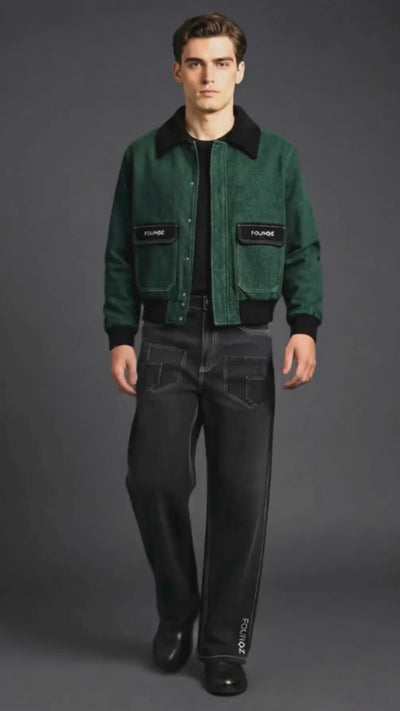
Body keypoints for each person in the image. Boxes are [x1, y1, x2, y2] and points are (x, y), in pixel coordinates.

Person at [102, 11, 323, 696]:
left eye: (221, 63)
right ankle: (178, 607)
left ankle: (224, 646)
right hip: (164, 341)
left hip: (243, 348)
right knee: (153, 479)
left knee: (241, 500)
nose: (208, 76)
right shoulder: (143, 157)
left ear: (239, 71)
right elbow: (119, 253)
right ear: (178, 70)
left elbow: (303, 248)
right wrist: (120, 335)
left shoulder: (276, 157)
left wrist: (305, 325)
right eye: (195, 63)